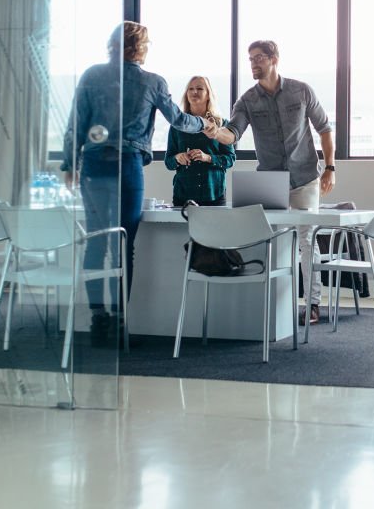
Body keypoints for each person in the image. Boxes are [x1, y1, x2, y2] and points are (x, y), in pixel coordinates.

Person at [61, 21, 215, 342]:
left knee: (96, 242)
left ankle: (98, 317)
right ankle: (119, 319)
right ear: (141, 48)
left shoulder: (91, 75)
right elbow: (179, 119)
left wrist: (68, 163)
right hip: (128, 166)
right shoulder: (152, 82)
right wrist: (206, 123)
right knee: (123, 244)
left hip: (93, 164)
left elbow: (76, 124)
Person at [207, 39, 335, 326]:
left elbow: (324, 129)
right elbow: (232, 134)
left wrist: (330, 167)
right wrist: (216, 133)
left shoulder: (301, 91)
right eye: (250, 59)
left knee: (307, 239)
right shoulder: (247, 101)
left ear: (274, 58)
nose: (254, 63)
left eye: (259, 58)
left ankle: (312, 305)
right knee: (271, 241)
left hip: (305, 178)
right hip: (270, 180)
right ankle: (276, 307)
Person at [165, 76, 235, 206]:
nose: (194, 92)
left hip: (214, 194)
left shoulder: (221, 124)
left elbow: (230, 159)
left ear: (208, 95)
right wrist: (177, 158)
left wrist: (208, 158)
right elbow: (168, 162)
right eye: (190, 89)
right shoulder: (177, 126)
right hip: (183, 195)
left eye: (199, 88)